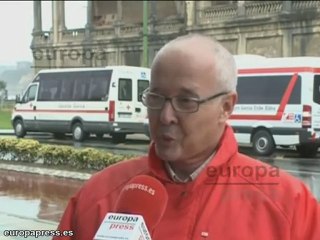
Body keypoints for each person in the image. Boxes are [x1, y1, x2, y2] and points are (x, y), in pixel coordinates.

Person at [55, 34, 320, 240]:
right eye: (156, 98)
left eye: (185, 101)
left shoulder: (289, 204)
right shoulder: (98, 196)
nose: (166, 116)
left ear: (226, 107)